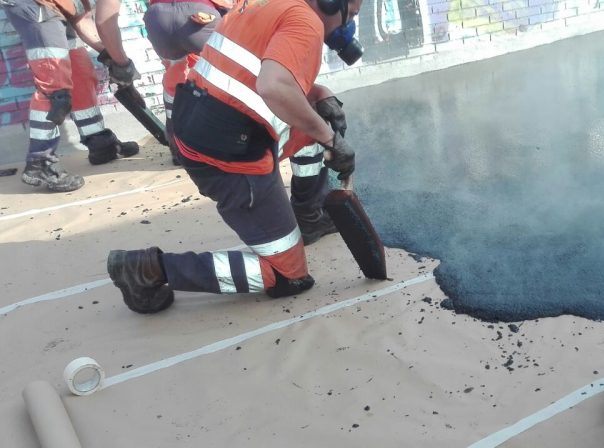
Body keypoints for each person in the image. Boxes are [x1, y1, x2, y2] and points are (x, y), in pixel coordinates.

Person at [105, 0, 362, 313]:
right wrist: (330, 139)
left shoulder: (265, 6)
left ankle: (308, 217)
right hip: (228, 158)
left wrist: (321, 98)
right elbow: (274, 86)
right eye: (353, 13)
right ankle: (148, 269)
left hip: (207, 125)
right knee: (288, 276)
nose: (349, 24)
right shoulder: (305, 22)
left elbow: (258, 72)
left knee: (320, 119)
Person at [2, 0, 140, 192]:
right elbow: (100, 21)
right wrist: (122, 62)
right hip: (36, 6)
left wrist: (111, 56)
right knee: (54, 88)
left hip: (56, 8)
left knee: (81, 73)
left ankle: (99, 142)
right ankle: (39, 162)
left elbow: (81, 19)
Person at [94, 0, 232, 165]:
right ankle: (228, 143)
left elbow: (103, 19)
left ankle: (180, 150)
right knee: (226, 77)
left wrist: (122, 64)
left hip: (158, 18)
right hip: (201, 15)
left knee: (175, 76)